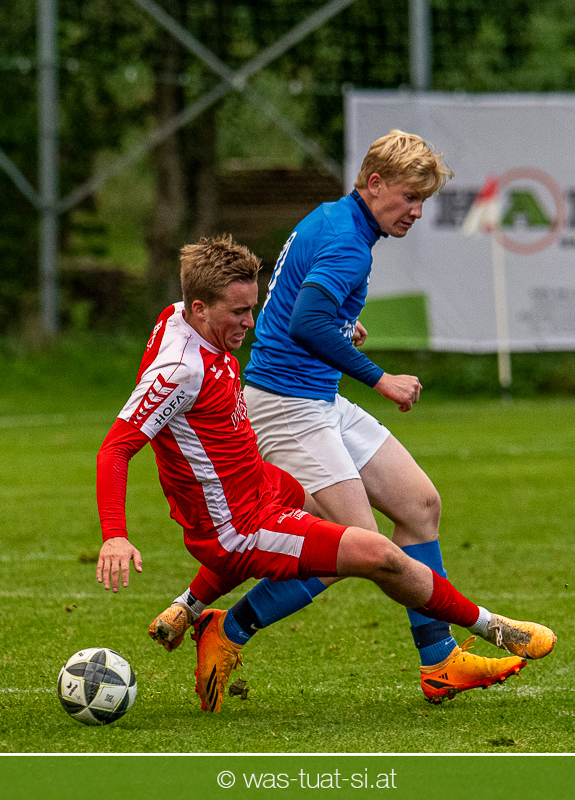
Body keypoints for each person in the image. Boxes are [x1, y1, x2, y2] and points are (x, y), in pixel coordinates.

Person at [146, 130, 546, 705]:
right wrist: (381, 378)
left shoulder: (334, 219)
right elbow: (306, 321)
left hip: (316, 397)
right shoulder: (348, 244)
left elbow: (293, 302)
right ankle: (227, 629)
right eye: (410, 197)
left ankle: (440, 662)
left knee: (419, 505)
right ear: (375, 183)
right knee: (354, 549)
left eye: (423, 200)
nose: (416, 211)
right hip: (288, 406)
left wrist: (338, 324)